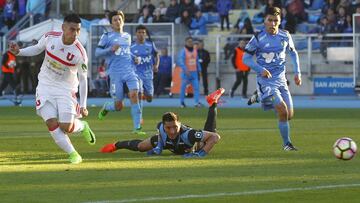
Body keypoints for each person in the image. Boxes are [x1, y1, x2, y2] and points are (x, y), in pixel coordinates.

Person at [9, 13, 96, 164]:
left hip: (66, 90)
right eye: (72, 29)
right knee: (51, 122)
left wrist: (83, 105)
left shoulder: (80, 53)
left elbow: (83, 80)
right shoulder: (50, 37)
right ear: (63, 27)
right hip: (45, 86)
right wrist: (19, 52)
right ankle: (73, 154)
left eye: (78, 30)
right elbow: (37, 48)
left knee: (66, 126)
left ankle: (82, 126)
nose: (75, 33)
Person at [100, 88, 224, 157]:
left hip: (188, 146)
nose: (172, 131)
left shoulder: (189, 134)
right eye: (168, 128)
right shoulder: (161, 130)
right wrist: (159, 146)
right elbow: (158, 133)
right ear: (164, 126)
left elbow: (215, 137)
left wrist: (200, 154)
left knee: (206, 139)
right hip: (168, 144)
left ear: (179, 124)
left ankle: (213, 102)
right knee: (141, 147)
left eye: (175, 127)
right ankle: (116, 145)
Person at [243, 7, 301, 151]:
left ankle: (259, 97)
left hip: (281, 80)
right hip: (266, 81)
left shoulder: (285, 36)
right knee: (282, 110)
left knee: (289, 115)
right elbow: (246, 58)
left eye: (276, 20)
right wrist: (261, 69)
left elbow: (293, 53)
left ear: (280, 21)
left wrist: (297, 72)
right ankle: (287, 144)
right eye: (270, 20)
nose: (273, 23)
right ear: (264, 21)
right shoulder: (257, 38)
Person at [95, 10, 145, 136]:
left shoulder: (127, 36)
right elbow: (97, 53)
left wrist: (134, 58)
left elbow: (126, 51)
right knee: (119, 106)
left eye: (119, 19)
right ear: (111, 24)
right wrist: (110, 49)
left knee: (134, 95)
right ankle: (107, 106)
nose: (118, 21)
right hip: (115, 73)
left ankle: (137, 127)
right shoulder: (106, 36)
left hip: (129, 71)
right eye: (115, 20)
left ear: (123, 21)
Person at [130, 25, 159, 122]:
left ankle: (147, 94)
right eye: (139, 32)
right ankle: (139, 117)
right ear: (136, 34)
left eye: (143, 32)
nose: (141, 34)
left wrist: (156, 65)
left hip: (148, 74)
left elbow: (157, 55)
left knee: (149, 97)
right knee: (139, 93)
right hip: (136, 73)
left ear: (145, 34)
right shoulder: (132, 46)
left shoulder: (150, 45)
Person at [177, 36, 202, 108]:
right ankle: (182, 103)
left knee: (196, 88)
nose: (190, 43)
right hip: (186, 73)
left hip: (194, 72)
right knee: (183, 88)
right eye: (189, 42)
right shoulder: (183, 51)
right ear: (186, 43)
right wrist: (185, 69)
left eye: (191, 42)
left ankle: (196, 103)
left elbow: (197, 61)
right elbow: (180, 62)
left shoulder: (195, 50)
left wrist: (199, 70)